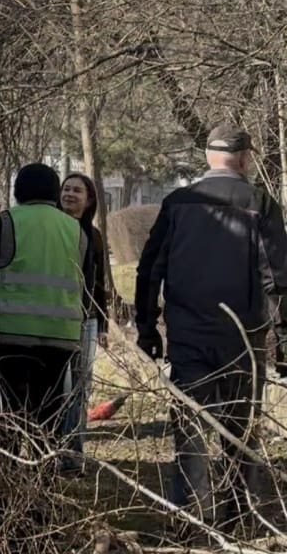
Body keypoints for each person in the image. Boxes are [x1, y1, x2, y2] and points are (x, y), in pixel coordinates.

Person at [135, 123, 287, 535]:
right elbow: (277, 279)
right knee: (241, 434)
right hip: (243, 341)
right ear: (245, 159)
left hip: (188, 338)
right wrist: (284, 340)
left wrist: (147, 328)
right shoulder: (261, 203)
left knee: (190, 431)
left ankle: (192, 519)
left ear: (207, 157)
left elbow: (150, 269)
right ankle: (240, 519)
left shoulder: (178, 203)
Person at [0, 163, 88, 459]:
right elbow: (85, 282)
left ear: (18, 191)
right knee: (48, 410)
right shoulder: (77, 230)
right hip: (60, 336)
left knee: (1, 409)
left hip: (8, 333)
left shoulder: (4, 223)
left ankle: (2, 475)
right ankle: (42, 477)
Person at [59, 173, 108, 470]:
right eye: (66, 189)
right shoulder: (53, 229)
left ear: (89, 200)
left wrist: (102, 324)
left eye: (77, 190)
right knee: (60, 387)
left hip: (86, 320)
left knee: (80, 387)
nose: (69, 194)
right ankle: (55, 450)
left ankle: (73, 454)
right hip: (56, 319)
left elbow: (99, 283)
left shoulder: (94, 236)